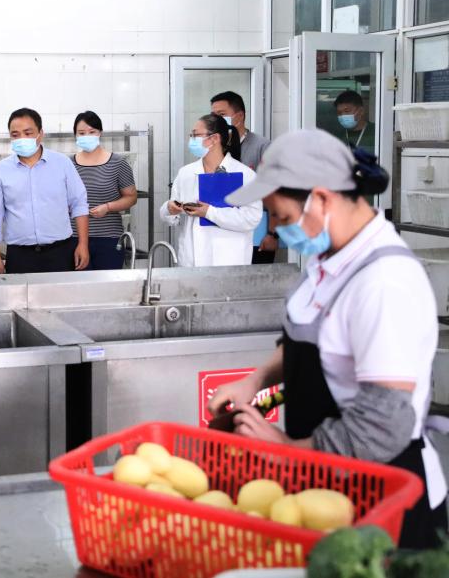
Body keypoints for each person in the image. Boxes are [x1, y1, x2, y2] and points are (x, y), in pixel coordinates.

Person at [211, 129, 447, 549]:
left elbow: (382, 424)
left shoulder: (385, 283)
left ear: (320, 199)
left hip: (383, 499)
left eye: (282, 217)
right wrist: (255, 380)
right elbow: (309, 341)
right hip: (324, 486)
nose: (275, 228)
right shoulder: (328, 259)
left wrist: (288, 450)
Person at [0, 108, 90, 275]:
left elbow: (79, 204)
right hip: (20, 254)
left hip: (60, 252)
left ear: (40, 134)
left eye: (28, 133)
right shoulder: (2, 170)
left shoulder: (62, 163)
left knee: (61, 292)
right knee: (19, 293)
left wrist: (83, 244)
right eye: (15, 135)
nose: (22, 139)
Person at [160, 113, 262, 267]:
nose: (191, 140)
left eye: (195, 135)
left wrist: (209, 212)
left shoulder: (245, 175)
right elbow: (171, 216)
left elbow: (251, 218)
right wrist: (169, 208)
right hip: (191, 260)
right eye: (191, 136)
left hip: (229, 260)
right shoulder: (186, 173)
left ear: (214, 139)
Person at [210, 91, 275, 264]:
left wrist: (272, 234)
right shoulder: (214, 148)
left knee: (252, 277)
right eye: (213, 116)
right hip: (222, 231)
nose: (215, 121)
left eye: (221, 115)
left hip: (256, 232)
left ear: (239, 116)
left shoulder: (262, 147)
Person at [71, 111, 137, 270]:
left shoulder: (118, 163)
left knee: (107, 283)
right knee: (78, 283)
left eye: (92, 132)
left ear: (100, 132)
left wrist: (108, 207)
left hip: (109, 238)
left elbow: (131, 197)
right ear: (76, 135)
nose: (87, 136)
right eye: (81, 133)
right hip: (75, 237)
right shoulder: (68, 164)